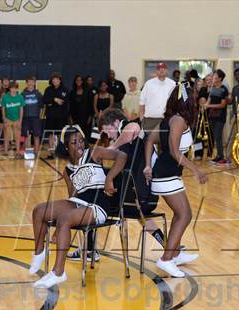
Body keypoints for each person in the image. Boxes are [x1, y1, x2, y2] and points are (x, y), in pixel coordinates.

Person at [30, 125, 127, 288]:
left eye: (81, 141)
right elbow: (73, 196)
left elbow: (122, 156)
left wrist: (109, 178)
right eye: (75, 142)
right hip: (79, 202)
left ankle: (59, 272)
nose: (80, 145)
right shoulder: (67, 170)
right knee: (39, 211)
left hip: (98, 205)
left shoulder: (94, 152)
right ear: (66, 147)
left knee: (64, 219)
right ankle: (39, 252)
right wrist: (57, 229)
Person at [143, 84, 207, 277]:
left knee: (182, 215)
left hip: (167, 174)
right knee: (184, 215)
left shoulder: (170, 119)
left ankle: (175, 253)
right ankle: (167, 259)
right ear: (186, 101)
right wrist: (195, 169)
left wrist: (148, 165)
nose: (196, 101)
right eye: (193, 98)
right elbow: (173, 150)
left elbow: (149, 140)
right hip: (167, 174)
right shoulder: (178, 120)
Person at [98, 109, 166, 246]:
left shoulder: (127, 126)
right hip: (145, 200)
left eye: (108, 130)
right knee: (143, 217)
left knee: (94, 203)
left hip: (141, 197)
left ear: (116, 122)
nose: (110, 136)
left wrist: (113, 147)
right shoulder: (128, 142)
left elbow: (133, 128)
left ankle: (88, 250)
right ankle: (169, 247)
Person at [139, 62, 175, 133]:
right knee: (148, 142)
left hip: (166, 120)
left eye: (163, 68)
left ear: (167, 71)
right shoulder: (148, 84)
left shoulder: (173, 84)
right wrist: (141, 119)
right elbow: (142, 102)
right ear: (156, 71)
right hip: (150, 120)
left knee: (165, 143)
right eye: (159, 69)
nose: (161, 70)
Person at [203, 69, 229, 163]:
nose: (213, 78)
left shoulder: (224, 89)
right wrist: (205, 105)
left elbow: (222, 105)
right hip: (211, 116)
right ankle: (218, 155)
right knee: (214, 136)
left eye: (215, 76)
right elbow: (209, 100)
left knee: (218, 136)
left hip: (220, 117)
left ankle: (220, 156)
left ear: (220, 78)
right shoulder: (213, 88)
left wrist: (209, 106)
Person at [43, 72, 69, 159]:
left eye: (57, 79)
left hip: (61, 116)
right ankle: (51, 153)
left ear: (60, 80)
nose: (55, 81)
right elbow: (45, 100)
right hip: (50, 116)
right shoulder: (48, 90)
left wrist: (52, 102)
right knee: (51, 133)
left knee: (60, 134)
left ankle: (60, 151)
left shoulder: (64, 89)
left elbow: (64, 101)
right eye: (53, 79)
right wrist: (54, 99)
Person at [0, 81, 25, 158]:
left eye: (15, 88)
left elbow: (21, 110)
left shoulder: (20, 97)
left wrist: (20, 121)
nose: (13, 90)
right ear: (9, 88)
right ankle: (6, 151)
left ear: (17, 89)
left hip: (17, 119)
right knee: (7, 136)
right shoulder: (5, 97)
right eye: (12, 88)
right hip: (8, 119)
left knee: (17, 136)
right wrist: (4, 118)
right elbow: (3, 109)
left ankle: (17, 152)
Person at [21, 76, 44, 157]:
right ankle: (24, 152)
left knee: (36, 135)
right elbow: (21, 107)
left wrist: (40, 116)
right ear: (26, 82)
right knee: (25, 135)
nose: (30, 83)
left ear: (34, 83)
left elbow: (41, 106)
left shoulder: (38, 94)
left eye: (32, 81)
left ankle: (36, 152)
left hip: (36, 117)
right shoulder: (22, 94)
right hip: (25, 117)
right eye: (29, 81)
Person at [195, 74, 213, 159]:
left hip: (211, 116)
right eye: (207, 80)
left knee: (210, 135)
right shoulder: (203, 89)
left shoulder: (215, 89)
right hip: (201, 115)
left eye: (210, 80)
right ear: (205, 82)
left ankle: (210, 154)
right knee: (198, 136)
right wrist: (204, 103)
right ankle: (198, 154)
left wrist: (207, 103)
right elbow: (201, 100)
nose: (208, 81)